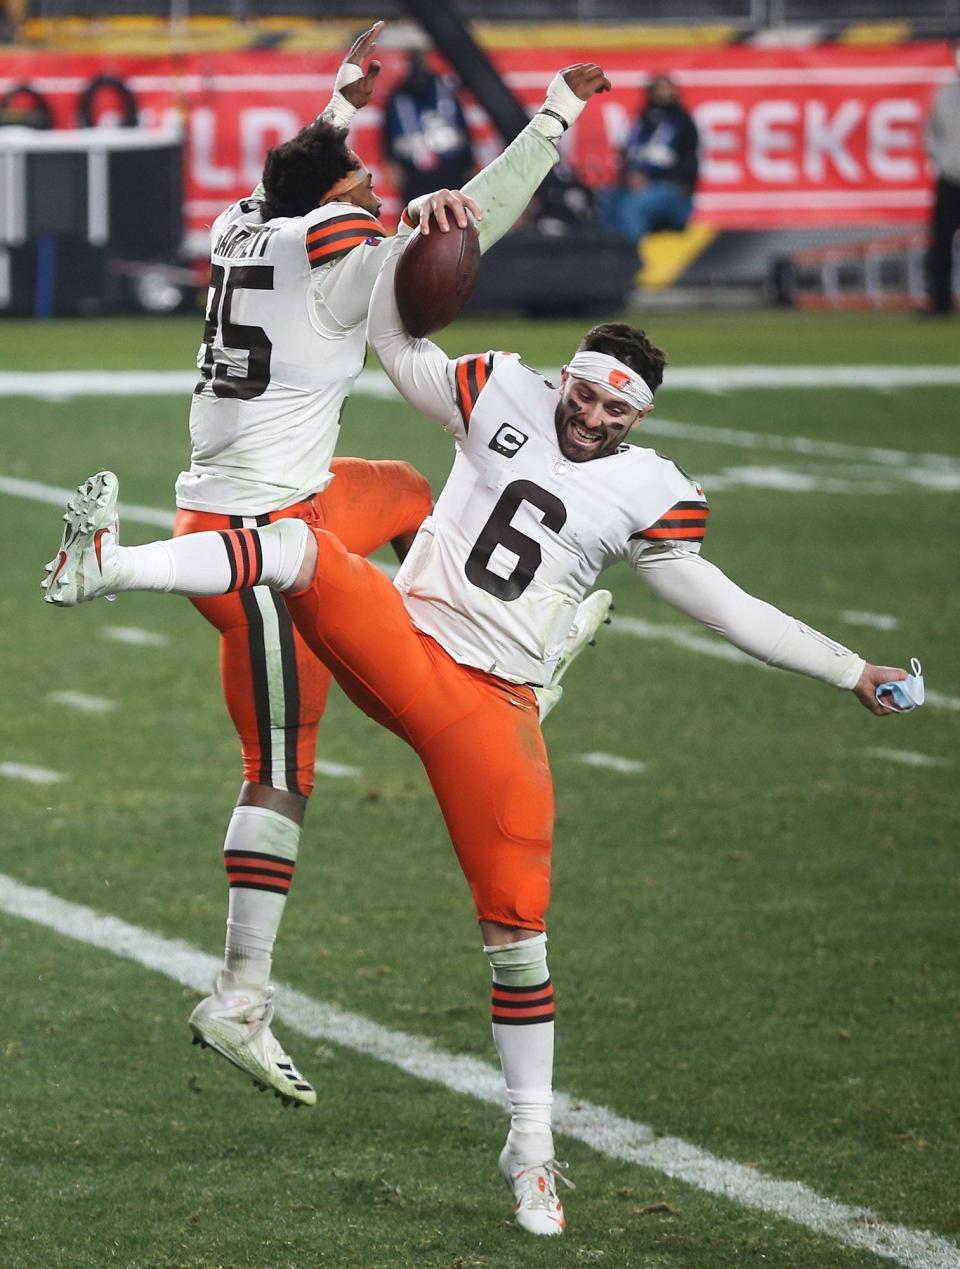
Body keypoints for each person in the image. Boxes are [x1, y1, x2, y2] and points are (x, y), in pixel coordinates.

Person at [43, 234, 910, 1231]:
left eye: (614, 408)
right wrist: (416, 238)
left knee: (517, 938)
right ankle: (105, 569)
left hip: (484, 707)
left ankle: (530, 1147)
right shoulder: (500, 388)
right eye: (585, 393)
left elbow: (722, 605)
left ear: (642, 419)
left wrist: (852, 668)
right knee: (300, 548)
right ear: (567, 375)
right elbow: (400, 345)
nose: (590, 417)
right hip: (407, 646)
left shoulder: (649, 491)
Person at [112, 15, 612, 1113]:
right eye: (361, 175)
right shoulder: (334, 249)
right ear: (335, 202)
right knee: (281, 764)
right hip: (251, 550)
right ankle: (241, 994)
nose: (378, 182)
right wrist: (555, 120)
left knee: (407, 493)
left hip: (281, 497)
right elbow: (464, 224)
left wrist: (338, 104)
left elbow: (289, 181)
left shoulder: (245, 225)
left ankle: (482, 662)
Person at [599, 74, 699, 252]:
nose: (662, 95)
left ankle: (631, 262)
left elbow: (689, 168)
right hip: (638, 186)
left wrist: (650, 178)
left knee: (633, 206)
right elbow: (626, 159)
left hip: (673, 189)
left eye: (666, 90)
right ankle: (608, 258)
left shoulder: (684, 124)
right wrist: (630, 177)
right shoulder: (640, 124)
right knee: (608, 202)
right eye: (657, 90)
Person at [382, 49, 475, 206]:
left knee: (454, 214)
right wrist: (391, 162)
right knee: (416, 219)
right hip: (414, 171)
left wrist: (469, 162)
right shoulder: (398, 96)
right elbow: (388, 132)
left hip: (450, 166)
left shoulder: (445, 90)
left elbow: (461, 127)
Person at [923, 37, 960, 316]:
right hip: (950, 177)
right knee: (940, 242)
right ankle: (940, 302)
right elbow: (930, 132)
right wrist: (942, 157)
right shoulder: (944, 93)